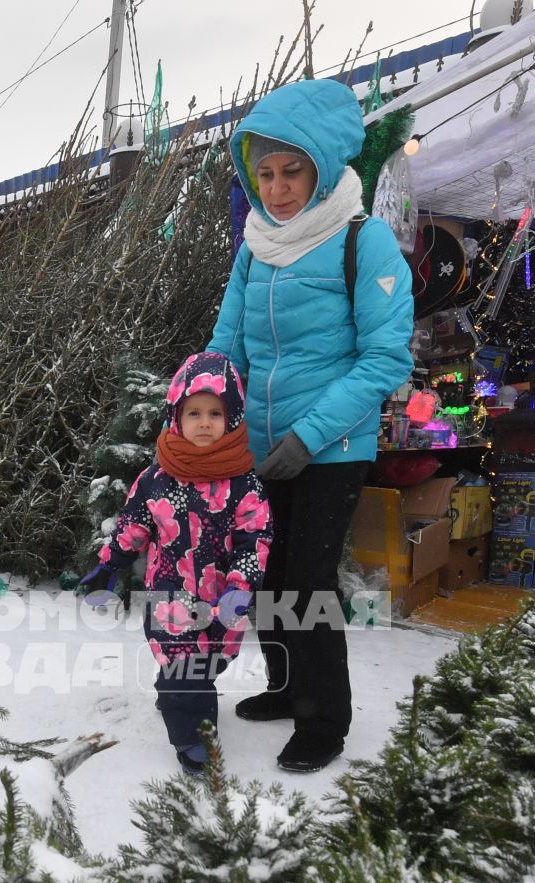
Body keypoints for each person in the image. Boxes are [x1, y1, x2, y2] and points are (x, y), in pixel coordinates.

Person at [206, 79, 416, 772]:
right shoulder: (255, 246)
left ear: (322, 165)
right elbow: (225, 347)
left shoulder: (365, 239)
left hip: (331, 445)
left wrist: (309, 435)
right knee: (265, 573)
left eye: (291, 170)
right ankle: (289, 689)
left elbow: (386, 358)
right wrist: (205, 415)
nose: (277, 187)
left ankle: (325, 721)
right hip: (260, 447)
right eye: (263, 173)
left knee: (308, 579)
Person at [79, 352, 271, 774]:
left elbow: (255, 536)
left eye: (216, 413)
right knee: (186, 669)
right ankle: (194, 738)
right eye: (195, 412)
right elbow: (132, 526)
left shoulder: (243, 482)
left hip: (223, 602)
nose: (205, 422)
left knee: (210, 663)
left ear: (233, 417)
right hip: (169, 597)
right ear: (176, 415)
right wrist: (110, 565)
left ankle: (176, 695)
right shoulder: (155, 479)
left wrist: (241, 584)